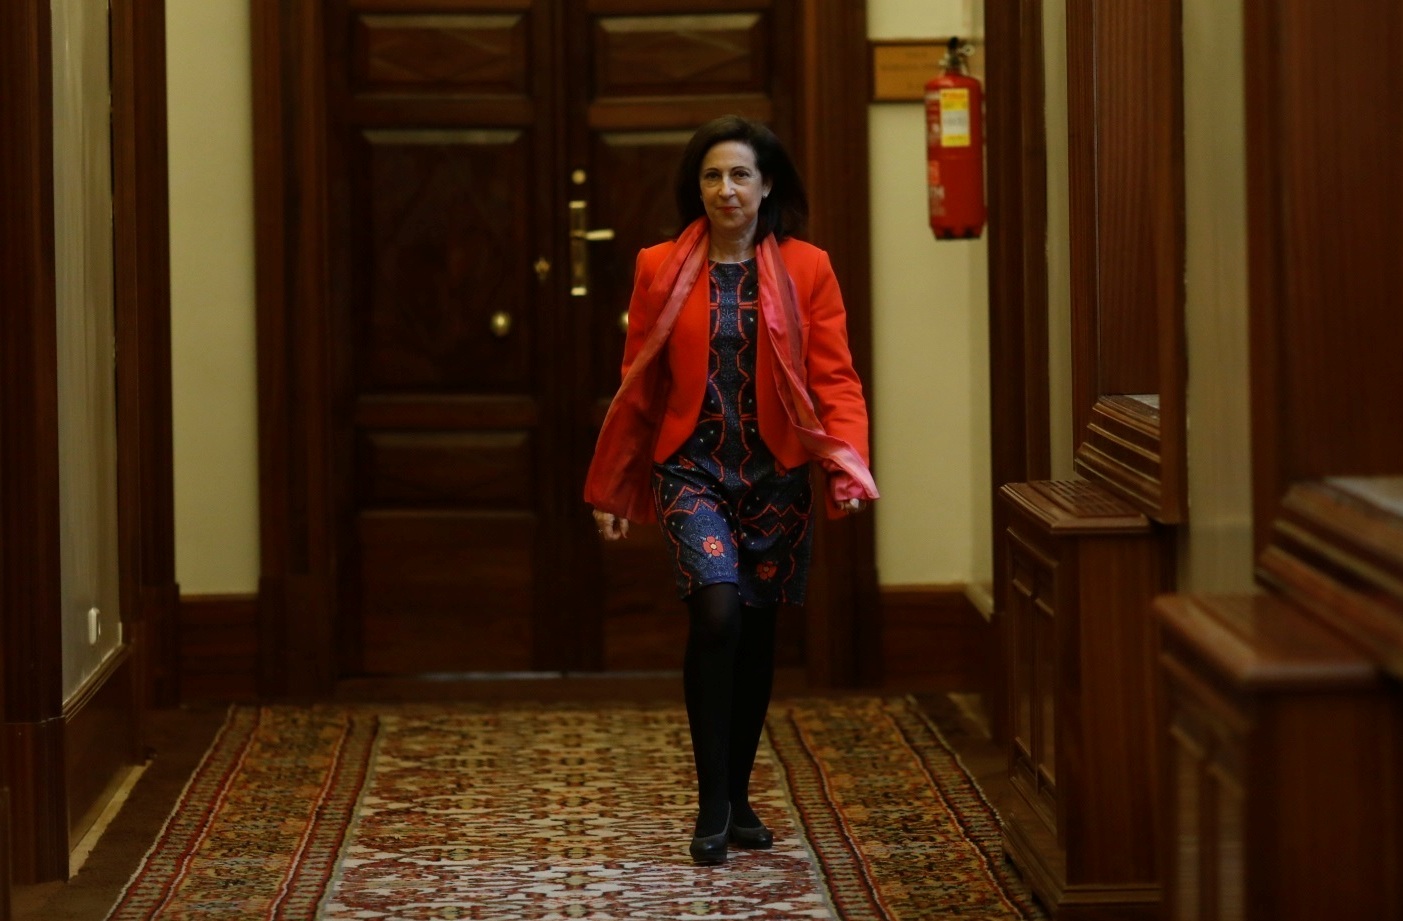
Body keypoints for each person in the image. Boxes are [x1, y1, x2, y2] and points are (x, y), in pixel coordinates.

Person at [584, 115, 878, 865]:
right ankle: (712, 798)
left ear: (766, 184)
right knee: (716, 614)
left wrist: (846, 463)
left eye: (740, 175)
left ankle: (740, 794)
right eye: (712, 176)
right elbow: (639, 384)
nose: (726, 189)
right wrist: (615, 487)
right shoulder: (658, 266)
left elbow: (834, 377)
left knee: (755, 637)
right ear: (698, 187)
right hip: (692, 469)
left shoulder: (808, 267)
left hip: (775, 474)